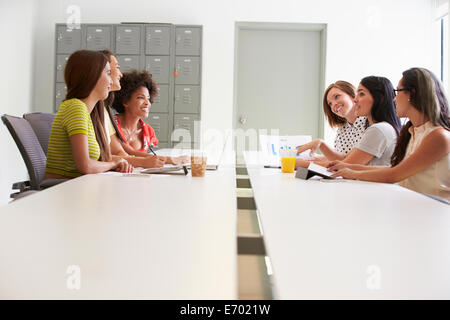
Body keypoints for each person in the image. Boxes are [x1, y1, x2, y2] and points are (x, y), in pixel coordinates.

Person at [330, 68, 450, 200]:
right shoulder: (413, 131)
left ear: (412, 93)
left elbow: (394, 174)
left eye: (397, 92)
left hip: (433, 212)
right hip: (414, 206)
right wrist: (349, 167)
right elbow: (394, 168)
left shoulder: (437, 135)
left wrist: (352, 171)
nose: (394, 99)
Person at [45, 50, 132, 179]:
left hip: (80, 186)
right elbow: (85, 166)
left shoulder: (85, 112)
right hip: (64, 189)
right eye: (108, 73)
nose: (111, 80)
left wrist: (115, 163)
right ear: (92, 76)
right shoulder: (76, 107)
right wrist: (112, 163)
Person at [300, 76, 401, 168]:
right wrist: (320, 145)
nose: (356, 99)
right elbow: (344, 159)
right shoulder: (344, 129)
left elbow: (344, 165)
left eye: (361, 94)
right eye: (330, 104)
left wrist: (302, 164)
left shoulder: (378, 129)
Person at [110, 70, 187, 165]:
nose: (147, 103)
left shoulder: (148, 131)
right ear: (125, 101)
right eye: (141, 98)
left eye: (148, 99)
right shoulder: (111, 124)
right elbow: (129, 153)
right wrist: (170, 160)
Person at [296, 81, 368, 163]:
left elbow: (349, 163)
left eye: (337, 96)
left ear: (352, 95)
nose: (334, 104)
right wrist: (309, 158)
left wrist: (305, 164)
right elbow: (338, 158)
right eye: (330, 104)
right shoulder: (342, 129)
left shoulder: (369, 124)